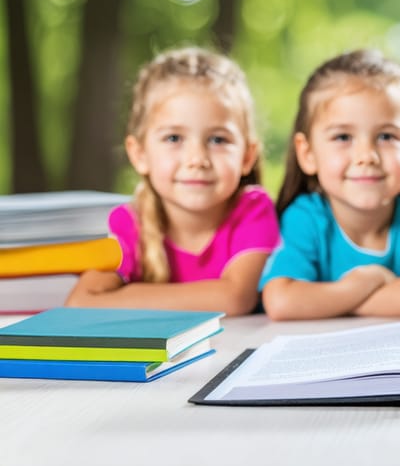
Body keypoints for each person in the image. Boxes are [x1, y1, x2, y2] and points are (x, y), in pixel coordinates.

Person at [65, 47, 279, 315]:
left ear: (247, 156)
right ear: (139, 154)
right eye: (174, 138)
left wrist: (124, 296)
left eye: (218, 140)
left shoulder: (252, 210)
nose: (197, 159)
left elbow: (235, 298)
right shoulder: (130, 223)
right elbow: (81, 301)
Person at [259, 49, 400, 320]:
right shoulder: (307, 217)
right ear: (308, 154)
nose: (366, 156)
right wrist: (365, 282)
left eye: (386, 136)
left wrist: (326, 302)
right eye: (342, 137)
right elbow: (281, 302)